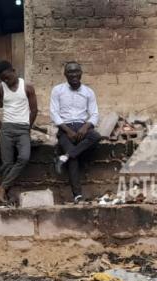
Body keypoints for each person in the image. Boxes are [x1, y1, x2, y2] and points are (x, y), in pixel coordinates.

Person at [50, 61, 102, 203]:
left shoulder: (88, 92)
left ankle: (63, 157)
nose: (74, 75)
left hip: (82, 127)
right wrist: (67, 131)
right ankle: (77, 195)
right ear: (65, 74)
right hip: (64, 129)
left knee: (96, 136)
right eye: (70, 72)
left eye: (76, 72)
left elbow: (94, 114)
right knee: (74, 158)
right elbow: (54, 114)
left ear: (81, 73)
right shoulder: (57, 90)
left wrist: (85, 127)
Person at [0, 60, 38, 202]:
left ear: (13, 71)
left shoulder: (27, 87)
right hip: (7, 129)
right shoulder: (0, 89)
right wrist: (3, 128)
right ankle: (5, 195)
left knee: (24, 157)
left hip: (23, 128)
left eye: (7, 76)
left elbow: (34, 110)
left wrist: (28, 127)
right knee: (7, 164)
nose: (5, 80)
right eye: (2, 78)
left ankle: (2, 187)